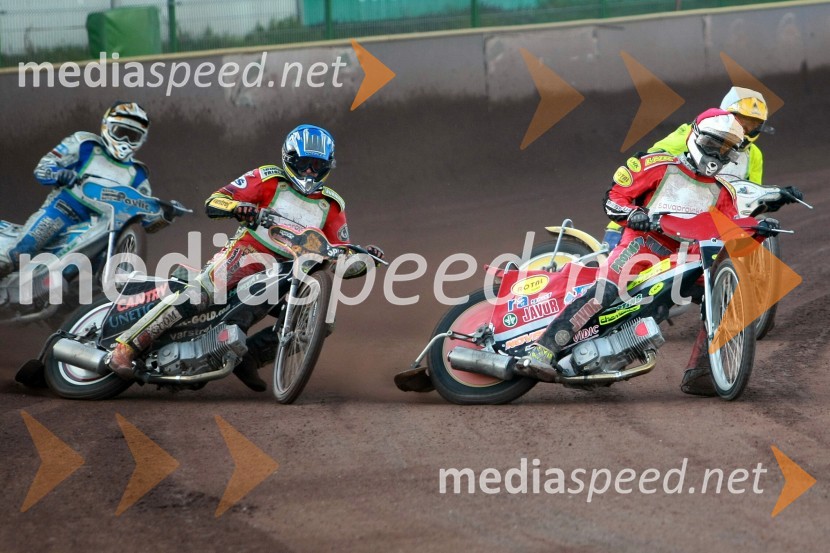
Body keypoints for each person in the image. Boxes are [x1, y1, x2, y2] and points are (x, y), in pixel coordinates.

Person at [525, 109, 801, 394]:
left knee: (724, 297)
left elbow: (730, 230)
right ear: (695, 137)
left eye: (725, 149)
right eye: (712, 144)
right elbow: (615, 197)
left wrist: (757, 228)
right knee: (603, 292)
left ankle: (702, 374)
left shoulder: (723, 191)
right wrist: (633, 215)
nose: (716, 154)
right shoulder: (658, 165)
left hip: (686, 257)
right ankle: (543, 351)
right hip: (641, 245)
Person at [108, 124, 383, 392]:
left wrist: (364, 259)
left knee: (322, 322)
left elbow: (338, 256)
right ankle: (126, 347)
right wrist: (240, 208)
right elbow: (215, 201)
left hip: (292, 270)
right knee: (200, 294)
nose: (310, 171)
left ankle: (252, 356)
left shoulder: (332, 204)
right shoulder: (268, 178)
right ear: (290, 159)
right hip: (246, 254)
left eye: (317, 165)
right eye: (304, 163)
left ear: (327, 166)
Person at [602, 87, 772, 252]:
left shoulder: (755, 155)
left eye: (752, 125)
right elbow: (650, 164)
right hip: (652, 218)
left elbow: (751, 193)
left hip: (700, 224)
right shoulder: (695, 132)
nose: (744, 129)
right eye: (740, 121)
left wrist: (774, 196)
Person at [0, 101, 151, 278]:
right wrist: (58, 174)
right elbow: (44, 166)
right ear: (106, 126)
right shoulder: (84, 144)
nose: (125, 141)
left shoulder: (138, 174)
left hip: (104, 227)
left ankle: (97, 288)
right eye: (120, 132)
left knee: (97, 271)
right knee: (21, 251)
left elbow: (145, 212)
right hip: (63, 211)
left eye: (132, 136)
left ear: (141, 139)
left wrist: (164, 214)